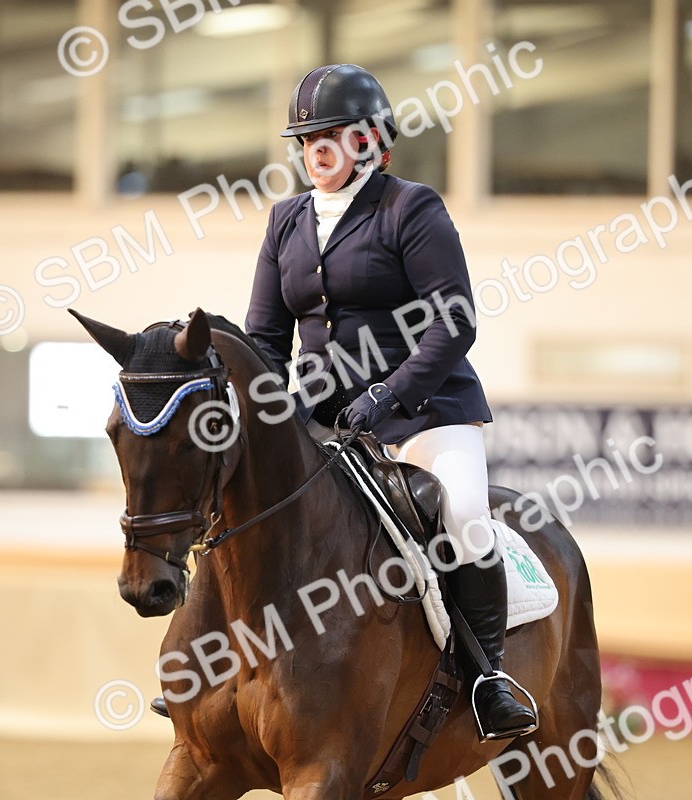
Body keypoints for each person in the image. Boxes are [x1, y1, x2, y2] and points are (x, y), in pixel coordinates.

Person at [243, 64, 537, 741]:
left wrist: (389, 392)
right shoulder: (285, 221)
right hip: (325, 419)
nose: (316, 149)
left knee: (462, 516)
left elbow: (454, 321)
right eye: (307, 137)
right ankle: (225, 665)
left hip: (424, 411)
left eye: (333, 135)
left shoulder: (411, 208)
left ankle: (488, 677)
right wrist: (270, 413)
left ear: (370, 140)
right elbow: (264, 337)